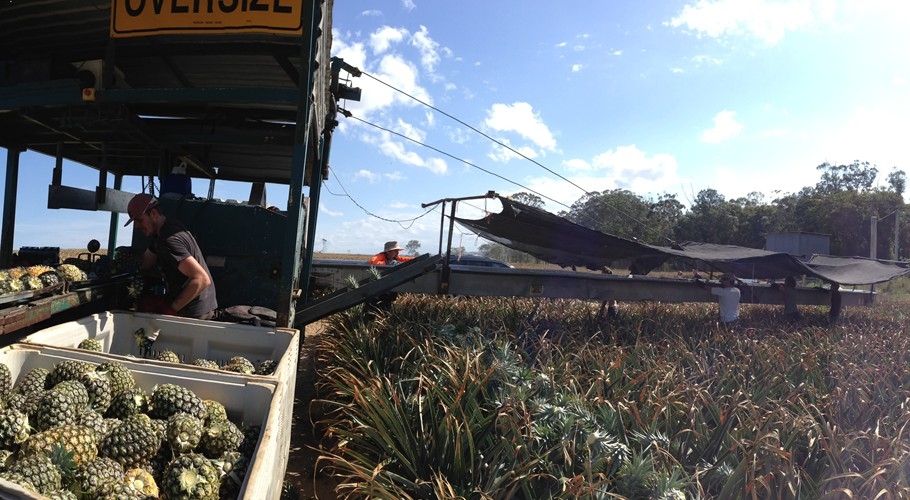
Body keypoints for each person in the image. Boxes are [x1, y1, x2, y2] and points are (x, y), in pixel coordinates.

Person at [125, 193, 218, 320]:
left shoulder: (169, 239)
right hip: (198, 306)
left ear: (153, 214)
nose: (136, 226)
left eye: (139, 220)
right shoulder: (165, 231)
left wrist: (170, 309)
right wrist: (126, 259)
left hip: (192, 313)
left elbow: (201, 279)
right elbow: (146, 262)